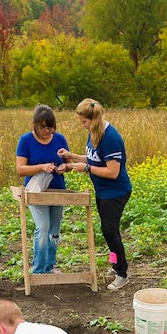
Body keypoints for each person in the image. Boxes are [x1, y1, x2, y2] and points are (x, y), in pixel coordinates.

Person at [57, 98, 133, 291]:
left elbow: (112, 172)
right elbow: (92, 158)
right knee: (108, 232)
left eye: (84, 122)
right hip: (103, 190)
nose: (82, 125)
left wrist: (87, 168)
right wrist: (72, 157)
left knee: (110, 230)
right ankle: (116, 266)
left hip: (116, 191)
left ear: (94, 118)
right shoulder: (94, 133)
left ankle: (123, 273)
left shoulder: (111, 138)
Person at [16, 104, 71, 274]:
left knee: (55, 230)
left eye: (51, 127)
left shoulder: (59, 139)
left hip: (57, 191)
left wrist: (64, 168)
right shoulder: (26, 141)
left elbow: (69, 163)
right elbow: (20, 169)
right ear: (35, 125)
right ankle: (39, 270)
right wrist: (41, 167)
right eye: (43, 127)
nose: (48, 131)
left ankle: (50, 266)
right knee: (43, 227)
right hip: (36, 192)